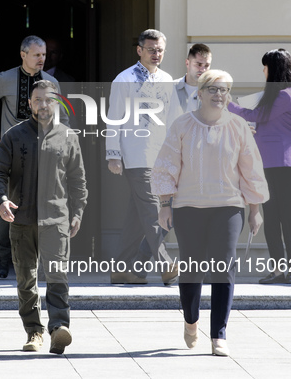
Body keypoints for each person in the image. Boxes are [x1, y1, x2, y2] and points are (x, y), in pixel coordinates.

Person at [152, 69, 269, 356]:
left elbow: (251, 171)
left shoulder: (239, 126)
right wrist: (165, 205)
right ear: (200, 93)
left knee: (223, 269)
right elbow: (167, 167)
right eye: (213, 89)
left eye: (224, 90)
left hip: (228, 207)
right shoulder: (182, 125)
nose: (219, 95)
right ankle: (191, 321)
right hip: (188, 207)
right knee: (192, 269)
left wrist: (255, 209)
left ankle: (219, 334)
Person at [0, 80, 87, 354]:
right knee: (26, 280)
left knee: (58, 276)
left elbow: (78, 180)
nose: (44, 105)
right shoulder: (13, 136)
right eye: (38, 100)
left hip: (56, 219)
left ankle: (58, 328)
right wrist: (2, 200)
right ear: (29, 103)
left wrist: (77, 212)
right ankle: (34, 332)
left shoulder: (68, 136)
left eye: (49, 100)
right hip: (21, 220)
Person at [0, 35, 69, 278]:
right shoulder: (6, 78)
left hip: (43, 154)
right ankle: (2, 257)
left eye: (44, 55)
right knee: (8, 206)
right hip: (11, 154)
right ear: (23, 54)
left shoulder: (51, 82)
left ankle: (38, 260)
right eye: (37, 55)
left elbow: (63, 116)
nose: (42, 59)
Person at [228, 49, 291, 285]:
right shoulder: (280, 94)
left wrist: (229, 105)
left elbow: (258, 115)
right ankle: (278, 270)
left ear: (273, 69)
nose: (263, 71)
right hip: (270, 161)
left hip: (287, 162)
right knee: (272, 218)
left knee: (288, 217)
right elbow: (264, 122)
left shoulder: (285, 95)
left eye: (265, 67)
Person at [105, 29, 181, 285]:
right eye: (151, 49)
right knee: (153, 212)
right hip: (135, 156)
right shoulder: (123, 79)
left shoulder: (168, 79)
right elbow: (114, 117)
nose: (156, 54)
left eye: (159, 49)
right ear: (139, 50)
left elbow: (173, 121)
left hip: (161, 158)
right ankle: (166, 264)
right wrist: (113, 154)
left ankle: (123, 269)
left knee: (137, 217)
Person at [174, 43, 212, 113]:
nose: (203, 70)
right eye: (199, 64)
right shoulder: (171, 88)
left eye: (206, 65)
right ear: (187, 63)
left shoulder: (214, 91)